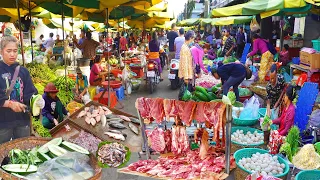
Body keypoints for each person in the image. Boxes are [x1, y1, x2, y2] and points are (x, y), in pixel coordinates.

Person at [0, 36, 38, 144]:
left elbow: (30, 93)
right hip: (3, 122)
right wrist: (9, 104)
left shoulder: (23, 71)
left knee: (23, 150)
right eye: (9, 51)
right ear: (1, 51)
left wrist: (37, 100)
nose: (12, 54)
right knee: (3, 154)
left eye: (15, 51)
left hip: (22, 120)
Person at [178, 30, 195, 99]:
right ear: (190, 38)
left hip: (187, 74)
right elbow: (185, 64)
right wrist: (186, 78)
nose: (193, 40)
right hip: (186, 76)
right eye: (193, 38)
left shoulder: (185, 47)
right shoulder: (185, 48)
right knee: (185, 96)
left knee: (186, 95)